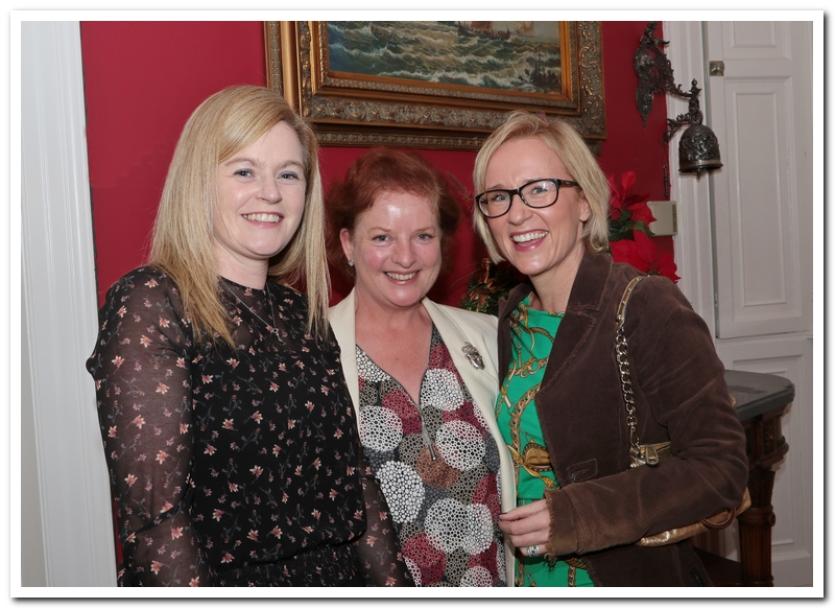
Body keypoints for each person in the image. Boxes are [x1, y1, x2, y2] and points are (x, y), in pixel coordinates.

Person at [86, 85, 411, 587]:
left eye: (288, 174)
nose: (271, 193)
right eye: (244, 171)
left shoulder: (301, 312)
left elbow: (356, 484)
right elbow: (154, 520)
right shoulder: (153, 301)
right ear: (200, 182)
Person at [471, 111, 749, 586]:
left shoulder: (645, 305)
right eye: (499, 197)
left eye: (540, 188)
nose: (517, 213)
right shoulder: (509, 317)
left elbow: (721, 469)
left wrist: (579, 515)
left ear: (583, 201)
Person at [327, 148, 516, 586]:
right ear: (347, 244)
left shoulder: (488, 337)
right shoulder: (311, 355)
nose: (406, 257)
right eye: (382, 238)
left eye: (423, 236)